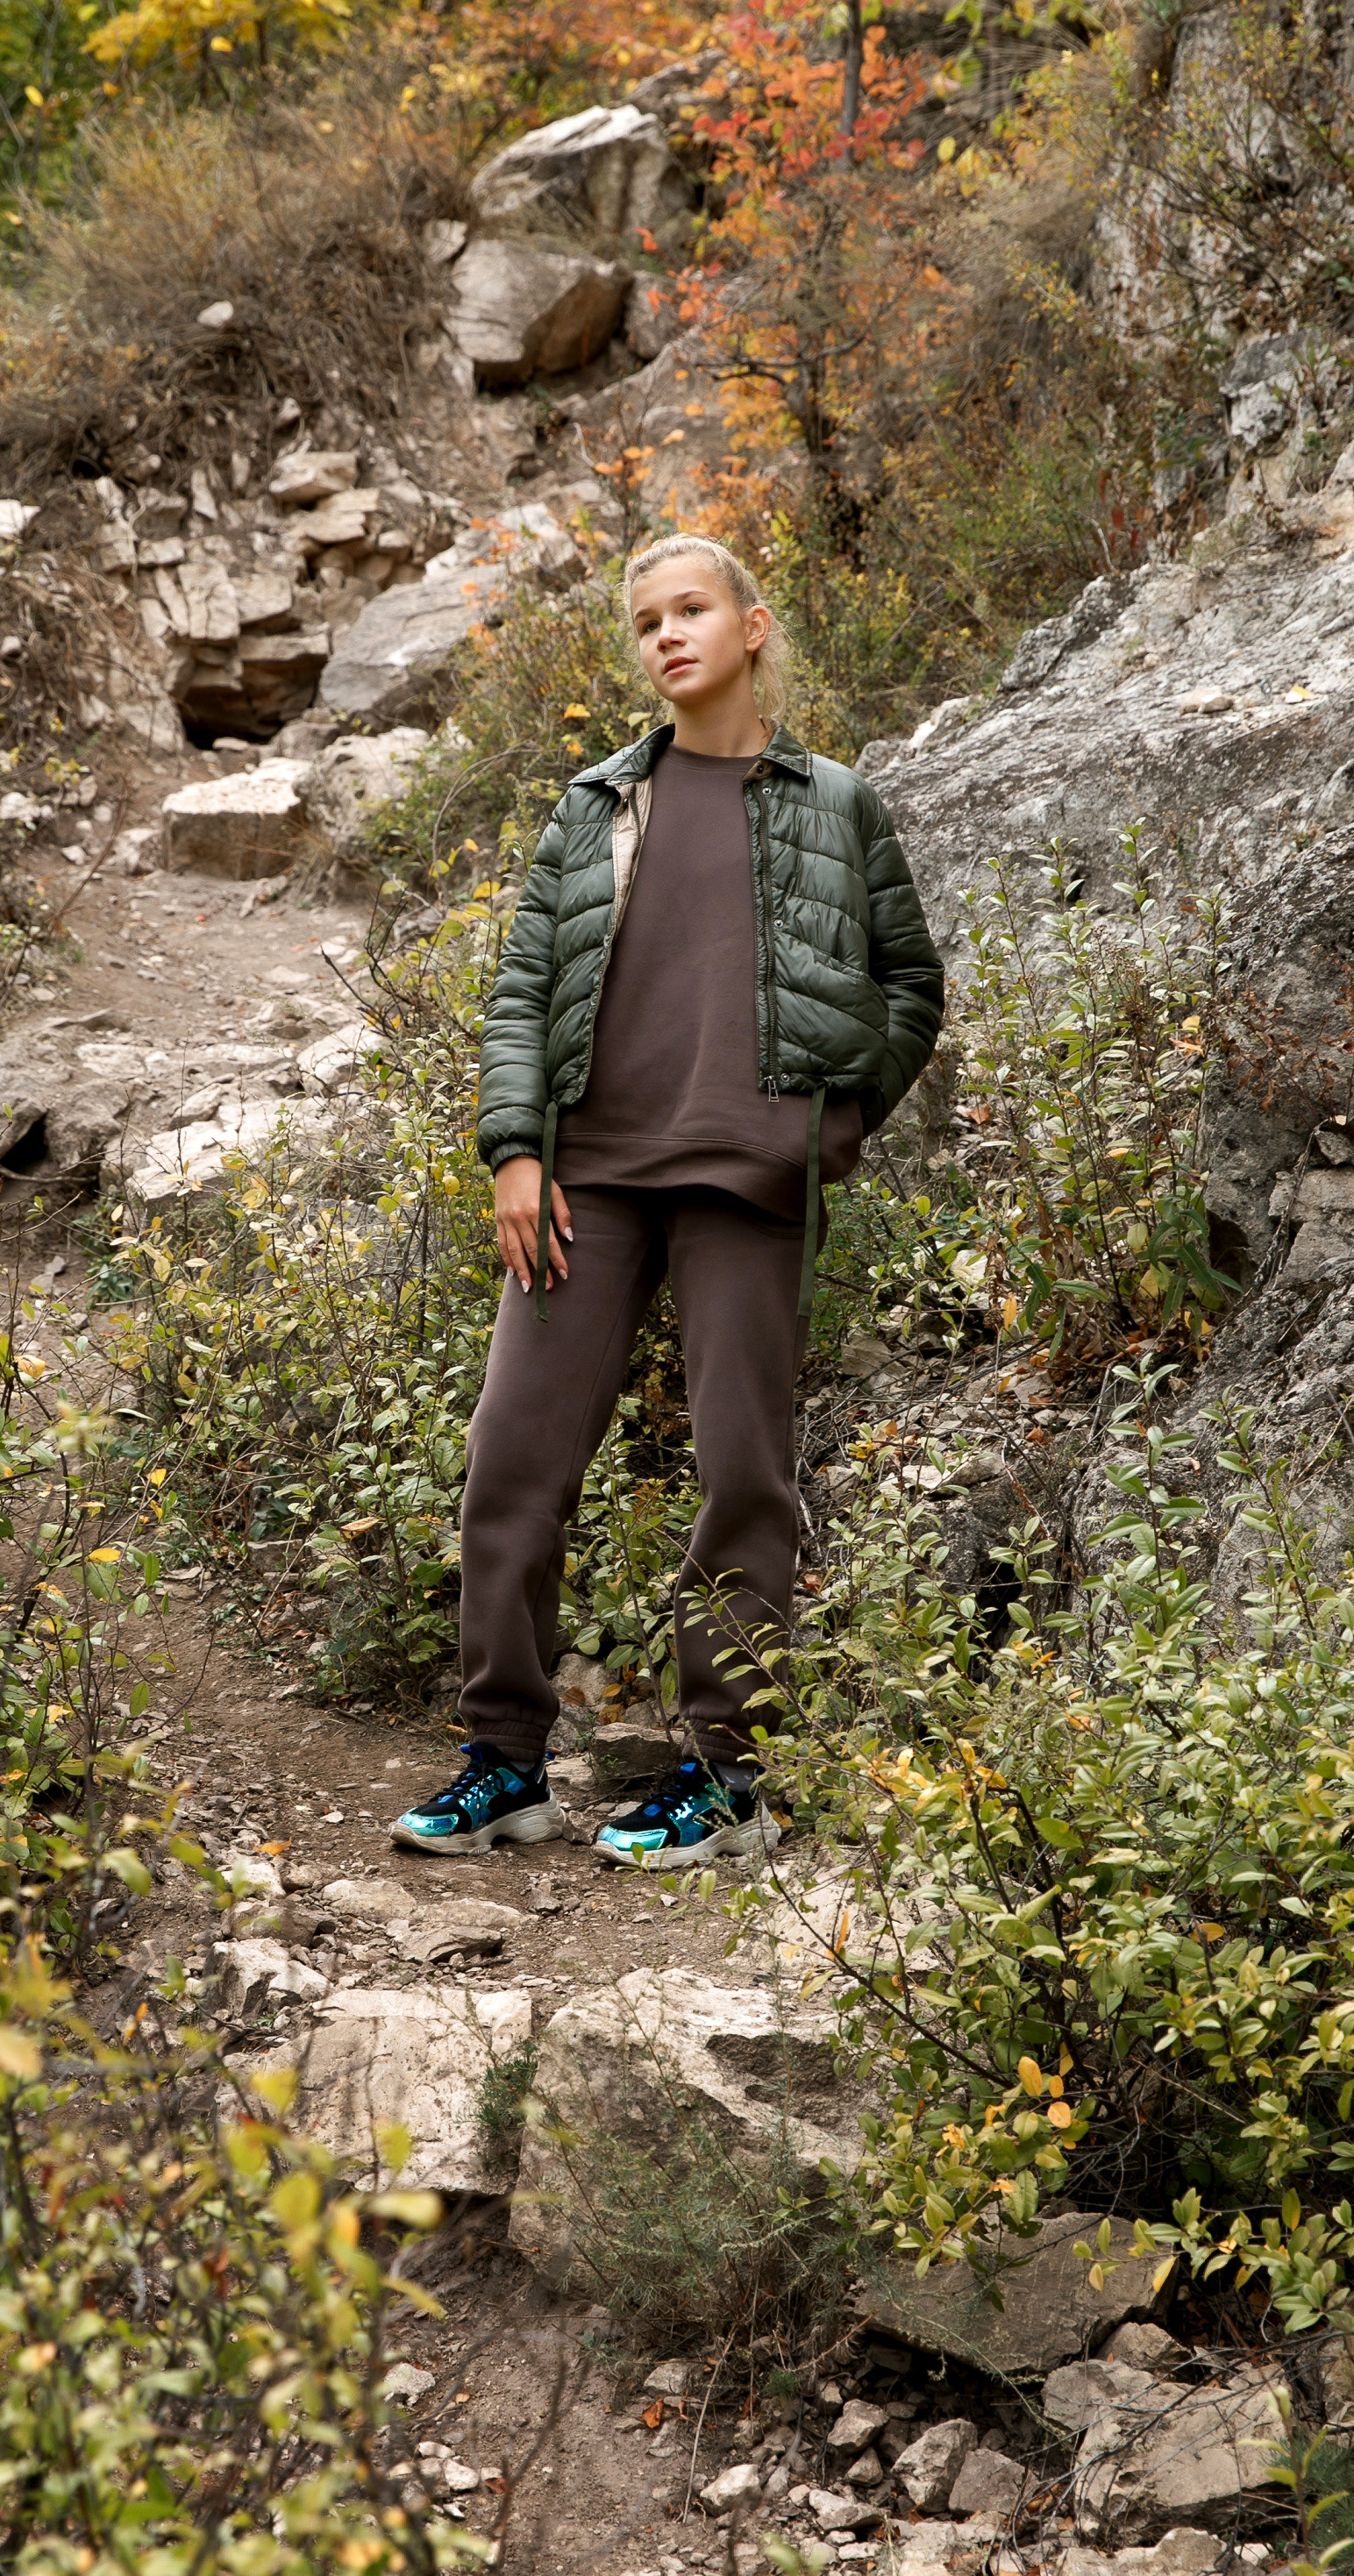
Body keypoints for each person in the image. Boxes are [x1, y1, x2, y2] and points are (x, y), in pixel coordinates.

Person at [391, 532, 944, 1869]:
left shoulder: (837, 804)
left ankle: (726, 1777)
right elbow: (523, 990)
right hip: (587, 1176)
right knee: (510, 1465)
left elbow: (911, 987)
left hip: (748, 1185)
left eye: (690, 609)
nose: (667, 635)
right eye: (646, 621)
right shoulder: (593, 805)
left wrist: (829, 1120)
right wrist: (514, 1150)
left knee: (742, 1476)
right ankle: (502, 1762)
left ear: (750, 627)